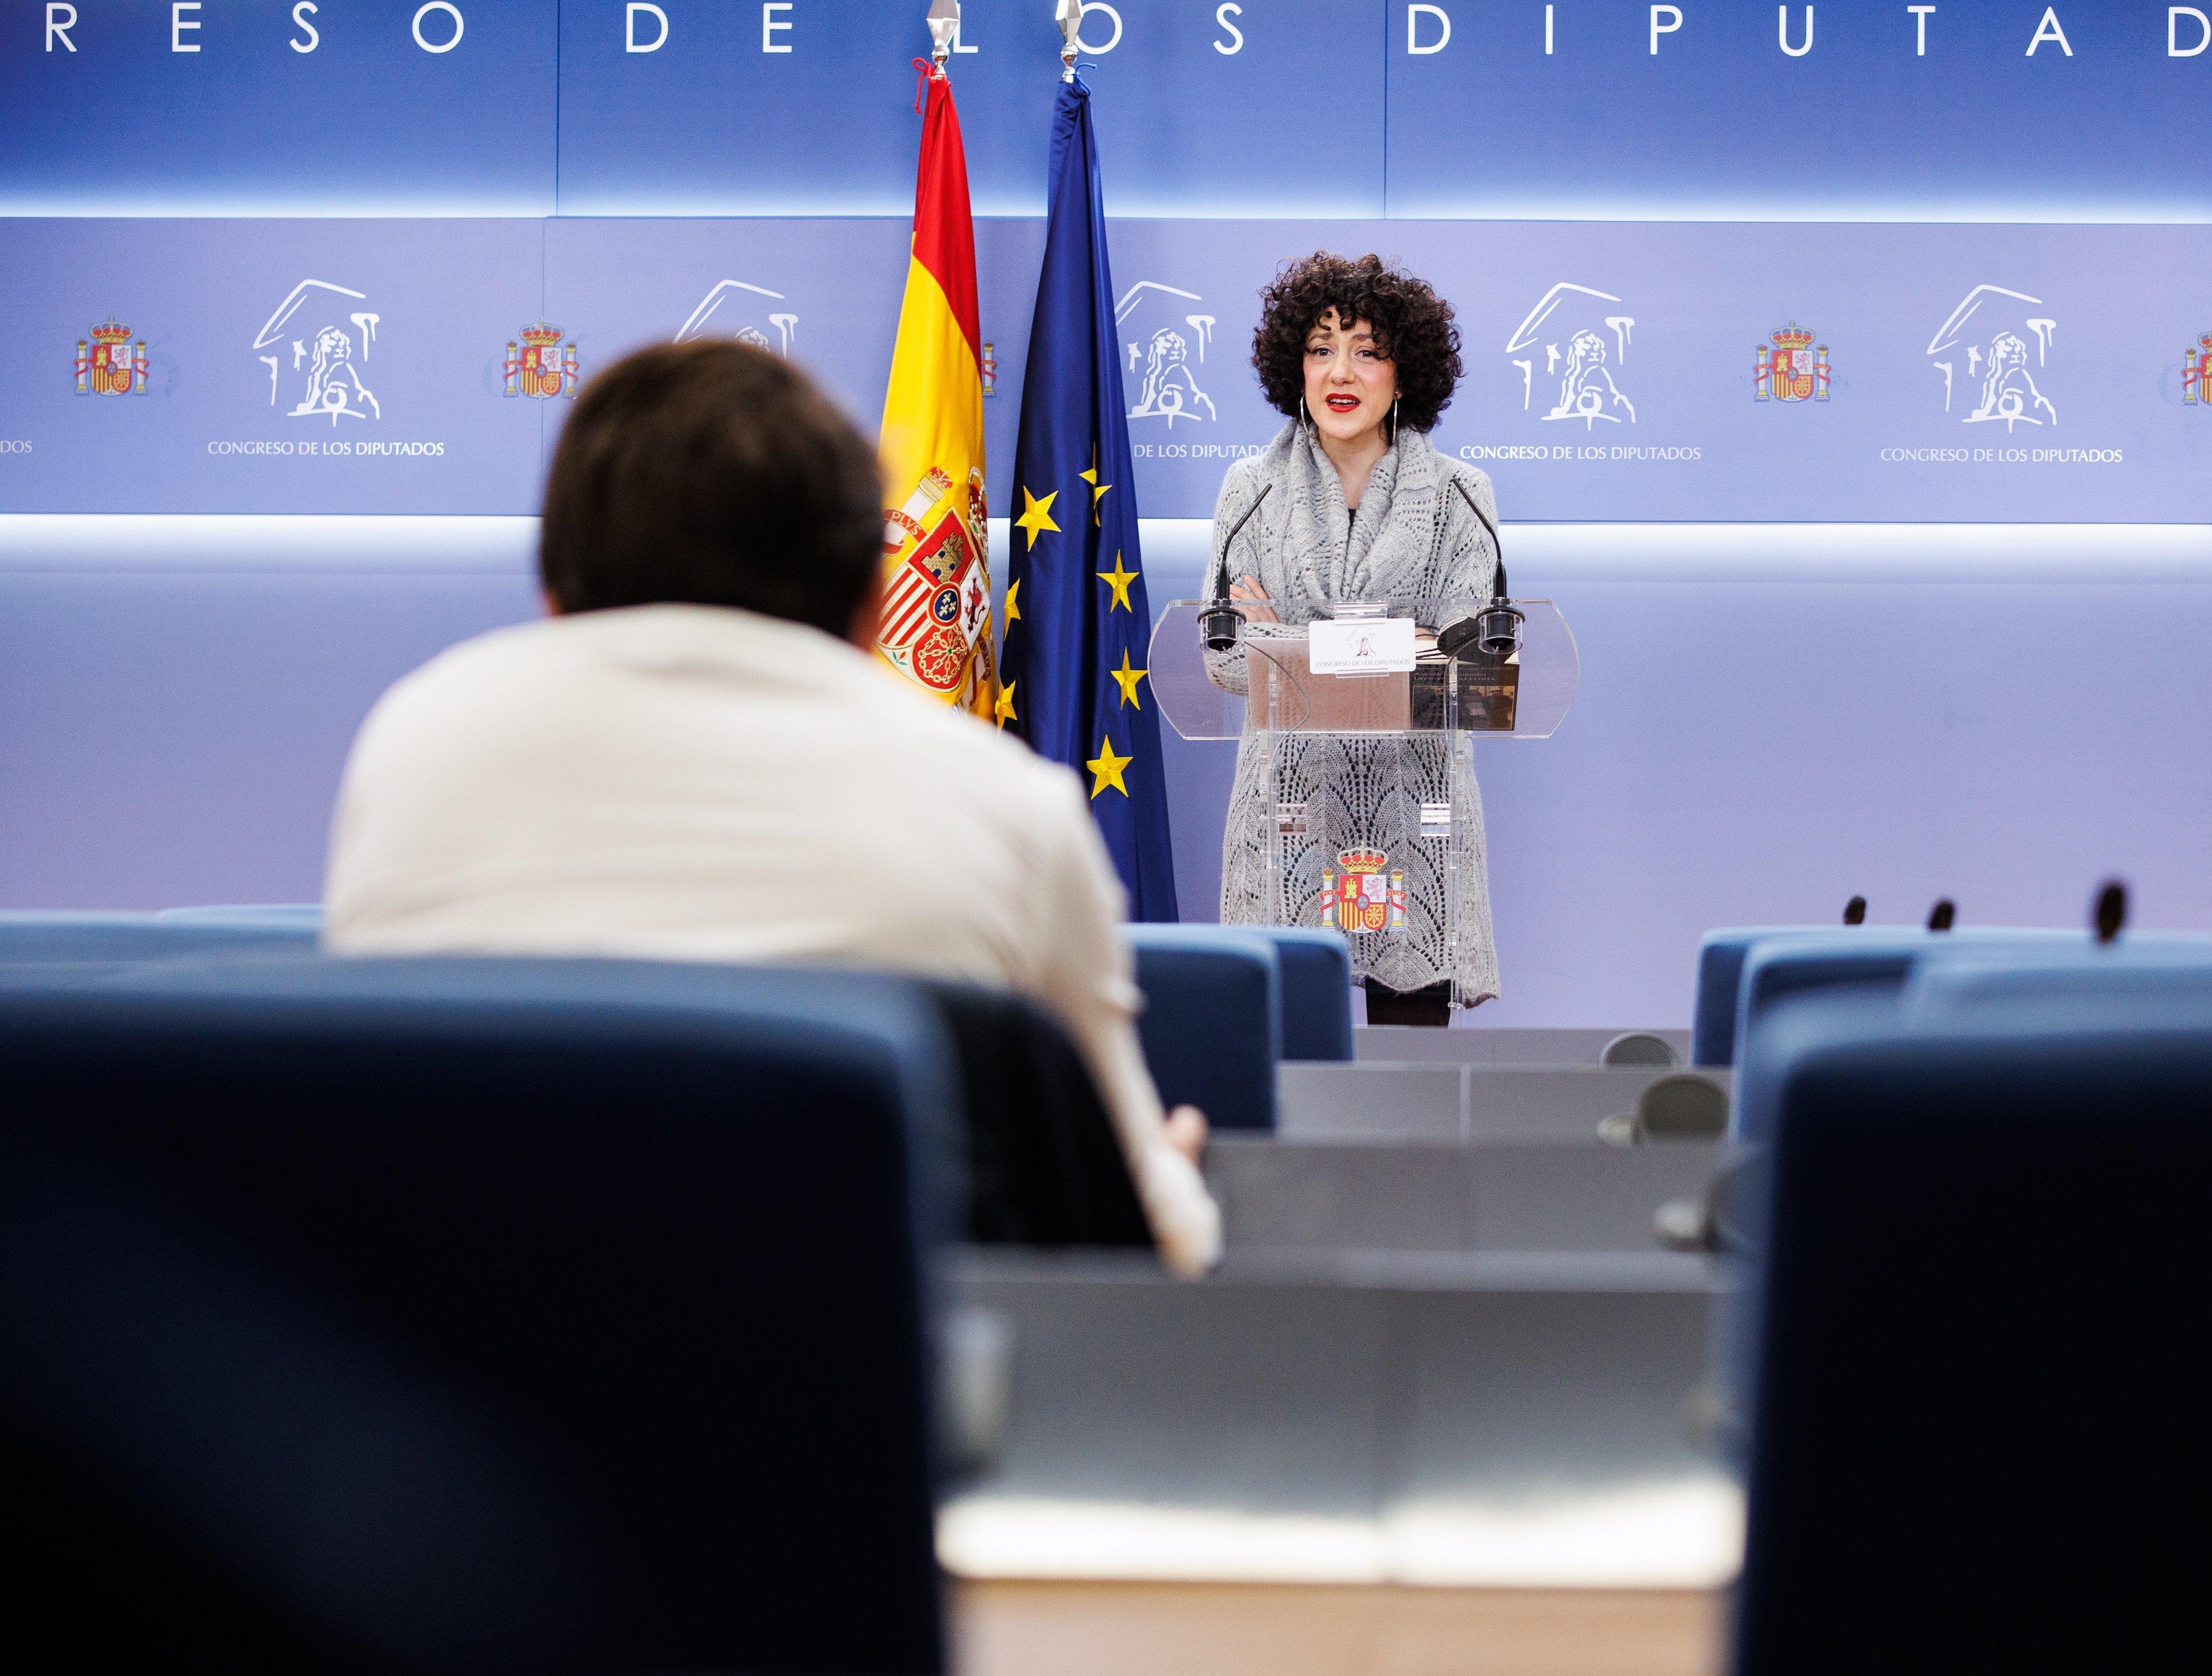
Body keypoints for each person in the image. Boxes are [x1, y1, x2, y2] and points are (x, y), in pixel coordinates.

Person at [323, 340, 1219, 1276]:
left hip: (457, 1398)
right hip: (879, 1405)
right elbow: (1163, 1244)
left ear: (553, 594)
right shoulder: (1013, 810)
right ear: (878, 605)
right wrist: (1176, 1177)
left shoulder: (413, 746)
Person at [1205, 253, 1502, 1026]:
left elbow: (1473, 673)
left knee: (1413, 1089)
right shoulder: (1250, 490)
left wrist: (1291, 643)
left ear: (1406, 373)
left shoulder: (1461, 497)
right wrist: (1408, 641)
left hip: (1418, 816)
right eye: (1320, 348)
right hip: (1289, 817)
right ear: (1293, 367)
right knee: (1290, 1081)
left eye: (1367, 350)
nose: (1341, 371)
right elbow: (1227, 660)